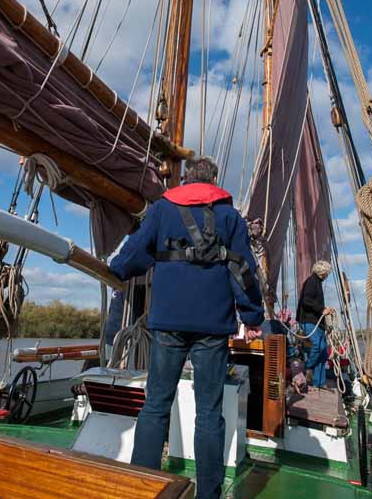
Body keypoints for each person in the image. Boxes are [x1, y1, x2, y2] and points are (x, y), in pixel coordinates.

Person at [109, 155, 264, 499]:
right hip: (213, 326)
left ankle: (143, 486)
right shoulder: (230, 217)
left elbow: (135, 250)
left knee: (155, 405)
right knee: (209, 413)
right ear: (214, 181)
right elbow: (242, 270)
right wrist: (252, 316)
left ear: (187, 180)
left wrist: (117, 269)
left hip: (168, 323)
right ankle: (208, 494)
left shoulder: (162, 210)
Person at [295, 260, 335, 389]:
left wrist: (325, 309)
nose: (327, 275)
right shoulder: (312, 282)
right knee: (317, 346)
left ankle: (319, 382)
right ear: (323, 272)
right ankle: (305, 368)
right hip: (308, 320)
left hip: (317, 322)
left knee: (323, 351)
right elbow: (306, 301)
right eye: (327, 273)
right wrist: (322, 309)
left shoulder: (317, 282)